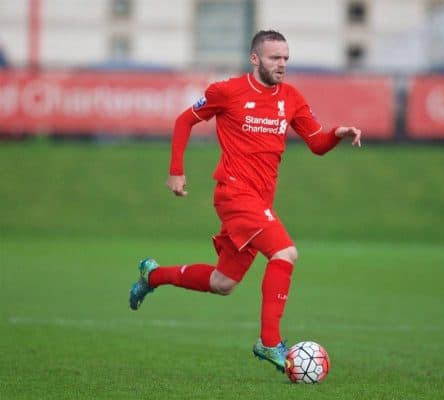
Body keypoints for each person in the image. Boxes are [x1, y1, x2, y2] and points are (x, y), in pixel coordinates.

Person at [129, 30, 362, 373]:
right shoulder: (228, 91)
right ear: (255, 59)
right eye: (274, 57)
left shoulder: (292, 98)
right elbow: (184, 120)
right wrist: (176, 171)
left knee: (223, 283)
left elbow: (316, 142)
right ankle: (269, 344)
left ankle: (153, 276)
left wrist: (337, 134)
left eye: (285, 57)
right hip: (234, 193)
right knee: (285, 253)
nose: (281, 64)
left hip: (260, 200)